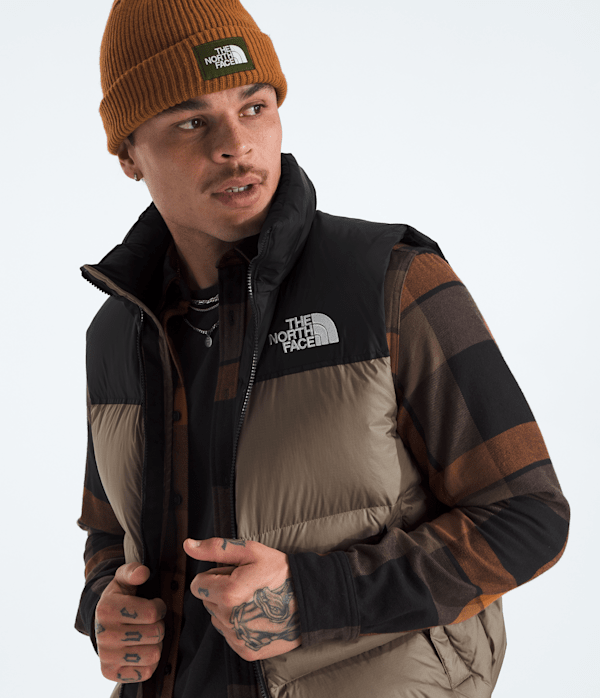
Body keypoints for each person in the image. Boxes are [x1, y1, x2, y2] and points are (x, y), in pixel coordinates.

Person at [75, 1, 570, 697]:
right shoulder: (118, 331)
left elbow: (528, 516)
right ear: (129, 153)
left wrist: (317, 597)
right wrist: (105, 602)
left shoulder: (390, 280)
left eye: (254, 108)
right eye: (192, 122)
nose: (235, 145)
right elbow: (109, 533)